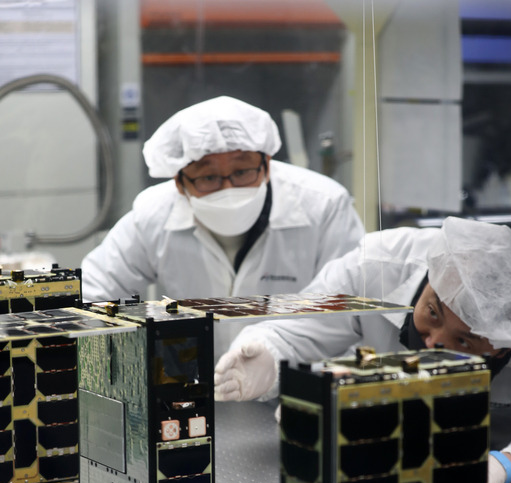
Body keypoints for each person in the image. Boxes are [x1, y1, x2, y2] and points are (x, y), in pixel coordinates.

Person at [214, 216, 511, 483]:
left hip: (490, 471)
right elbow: (297, 327)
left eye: (465, 341)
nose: (433, 343)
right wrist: (266, 355)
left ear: (503, 347)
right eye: (432, 313)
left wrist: (506, 465)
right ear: (431, 279)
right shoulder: (377, 266)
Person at [81, 95, 364, 357]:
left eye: (242, 172)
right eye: (208, 177)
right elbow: (93, 294)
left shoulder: (324, 206)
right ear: (179, 183)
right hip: (193, 387)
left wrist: (276, 361)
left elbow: (351, 316)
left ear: (266, 164)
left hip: (297, 386)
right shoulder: (154, 214)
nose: (228, 189)